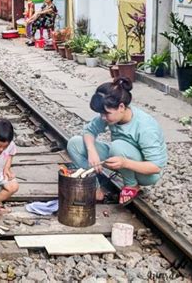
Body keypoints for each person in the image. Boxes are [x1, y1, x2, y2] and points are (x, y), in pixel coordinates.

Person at [67, 77, 167, 205]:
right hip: (120, 157)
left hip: (145, 173)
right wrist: (91, 151)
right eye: (101, 113)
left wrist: (125, 163)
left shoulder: (146, 127)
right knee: (75, 143)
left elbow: (155, 167)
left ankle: (131, 185)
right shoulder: (112, 116)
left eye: (106, 113)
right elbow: (89, 131)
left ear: (121, 107)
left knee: (117, 146)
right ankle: (94, 188)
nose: (103, 118)